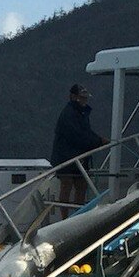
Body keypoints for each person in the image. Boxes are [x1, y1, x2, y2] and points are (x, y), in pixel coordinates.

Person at [51, 84, 109, 219]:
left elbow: (85, 133)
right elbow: (77, 135)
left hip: (79, 155)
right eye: (81, 98)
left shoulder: (82, 113)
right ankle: (64, 218)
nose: (84, 101)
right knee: (67, 185)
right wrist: (98, 141)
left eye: (86, 98)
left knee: (81, 185)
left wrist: (98, 140)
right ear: (73, 97)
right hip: (65, 156)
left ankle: (79, 216)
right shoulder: (69, 114)